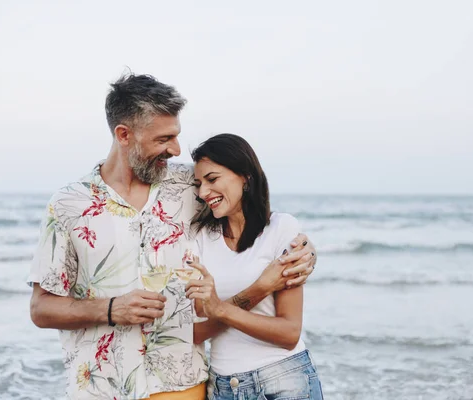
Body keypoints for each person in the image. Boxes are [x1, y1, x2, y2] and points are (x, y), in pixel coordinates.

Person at [28, 73, 317, 400]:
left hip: (183, 385)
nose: (176, 149)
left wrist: (303, 250)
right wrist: (111, 309)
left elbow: (251, 215)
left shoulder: (190, 186)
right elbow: (41, 308)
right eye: (164, 139)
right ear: (124, 135)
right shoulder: (68, 205)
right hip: (100, 389)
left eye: (176, 136)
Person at [185, 134, 324, 400]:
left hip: (284, 380)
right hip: (224, 387)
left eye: (213, 179)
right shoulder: (200, 239)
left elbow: (288, 333)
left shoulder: (282, 229)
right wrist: (260, 288)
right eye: (199, 184)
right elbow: (197, 331)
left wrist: (222, 309)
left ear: (245, 177)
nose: (203, 192)